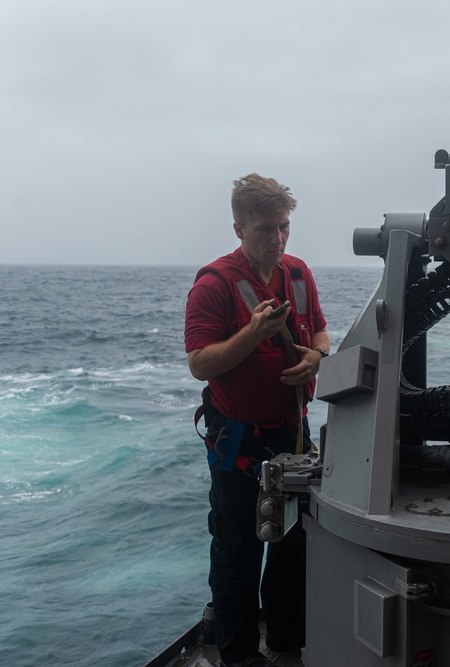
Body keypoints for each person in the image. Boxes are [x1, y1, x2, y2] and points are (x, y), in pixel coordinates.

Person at [185, 174, 329, 667]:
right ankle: (240, 656)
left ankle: (288, 641)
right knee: (237, 553)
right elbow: (200, 363)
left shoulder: (297, 274)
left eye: (284, 227)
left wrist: (315, 357)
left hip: (293, 432)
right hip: (239, 443)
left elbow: (323, 333)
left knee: (292, 545)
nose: (278, 239)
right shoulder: (215, 284)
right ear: (239, 229)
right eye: (266, 229)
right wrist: (251, 334)